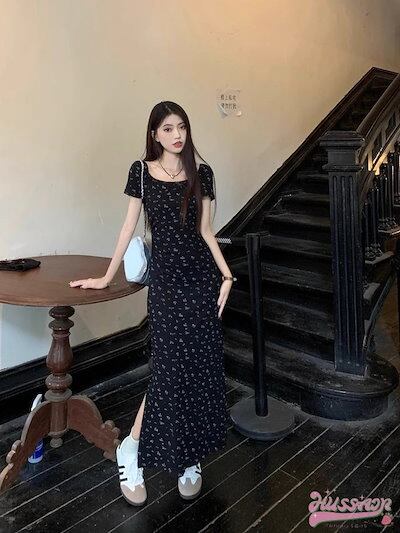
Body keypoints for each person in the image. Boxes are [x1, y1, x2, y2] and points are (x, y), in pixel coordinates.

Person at [69, 101, 237, 506]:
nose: (176, 135)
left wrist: (227, 275)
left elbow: (206, 230)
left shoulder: (202, 173)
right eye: (167, 129)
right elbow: (128, 227)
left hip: (201, 282)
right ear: (154, 135)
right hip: (166, 286)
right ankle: (131, 448)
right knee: (168, 369)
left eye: (181, 127)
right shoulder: (141, 172)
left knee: (197, 366)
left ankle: (189, 457)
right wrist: (106, 277)